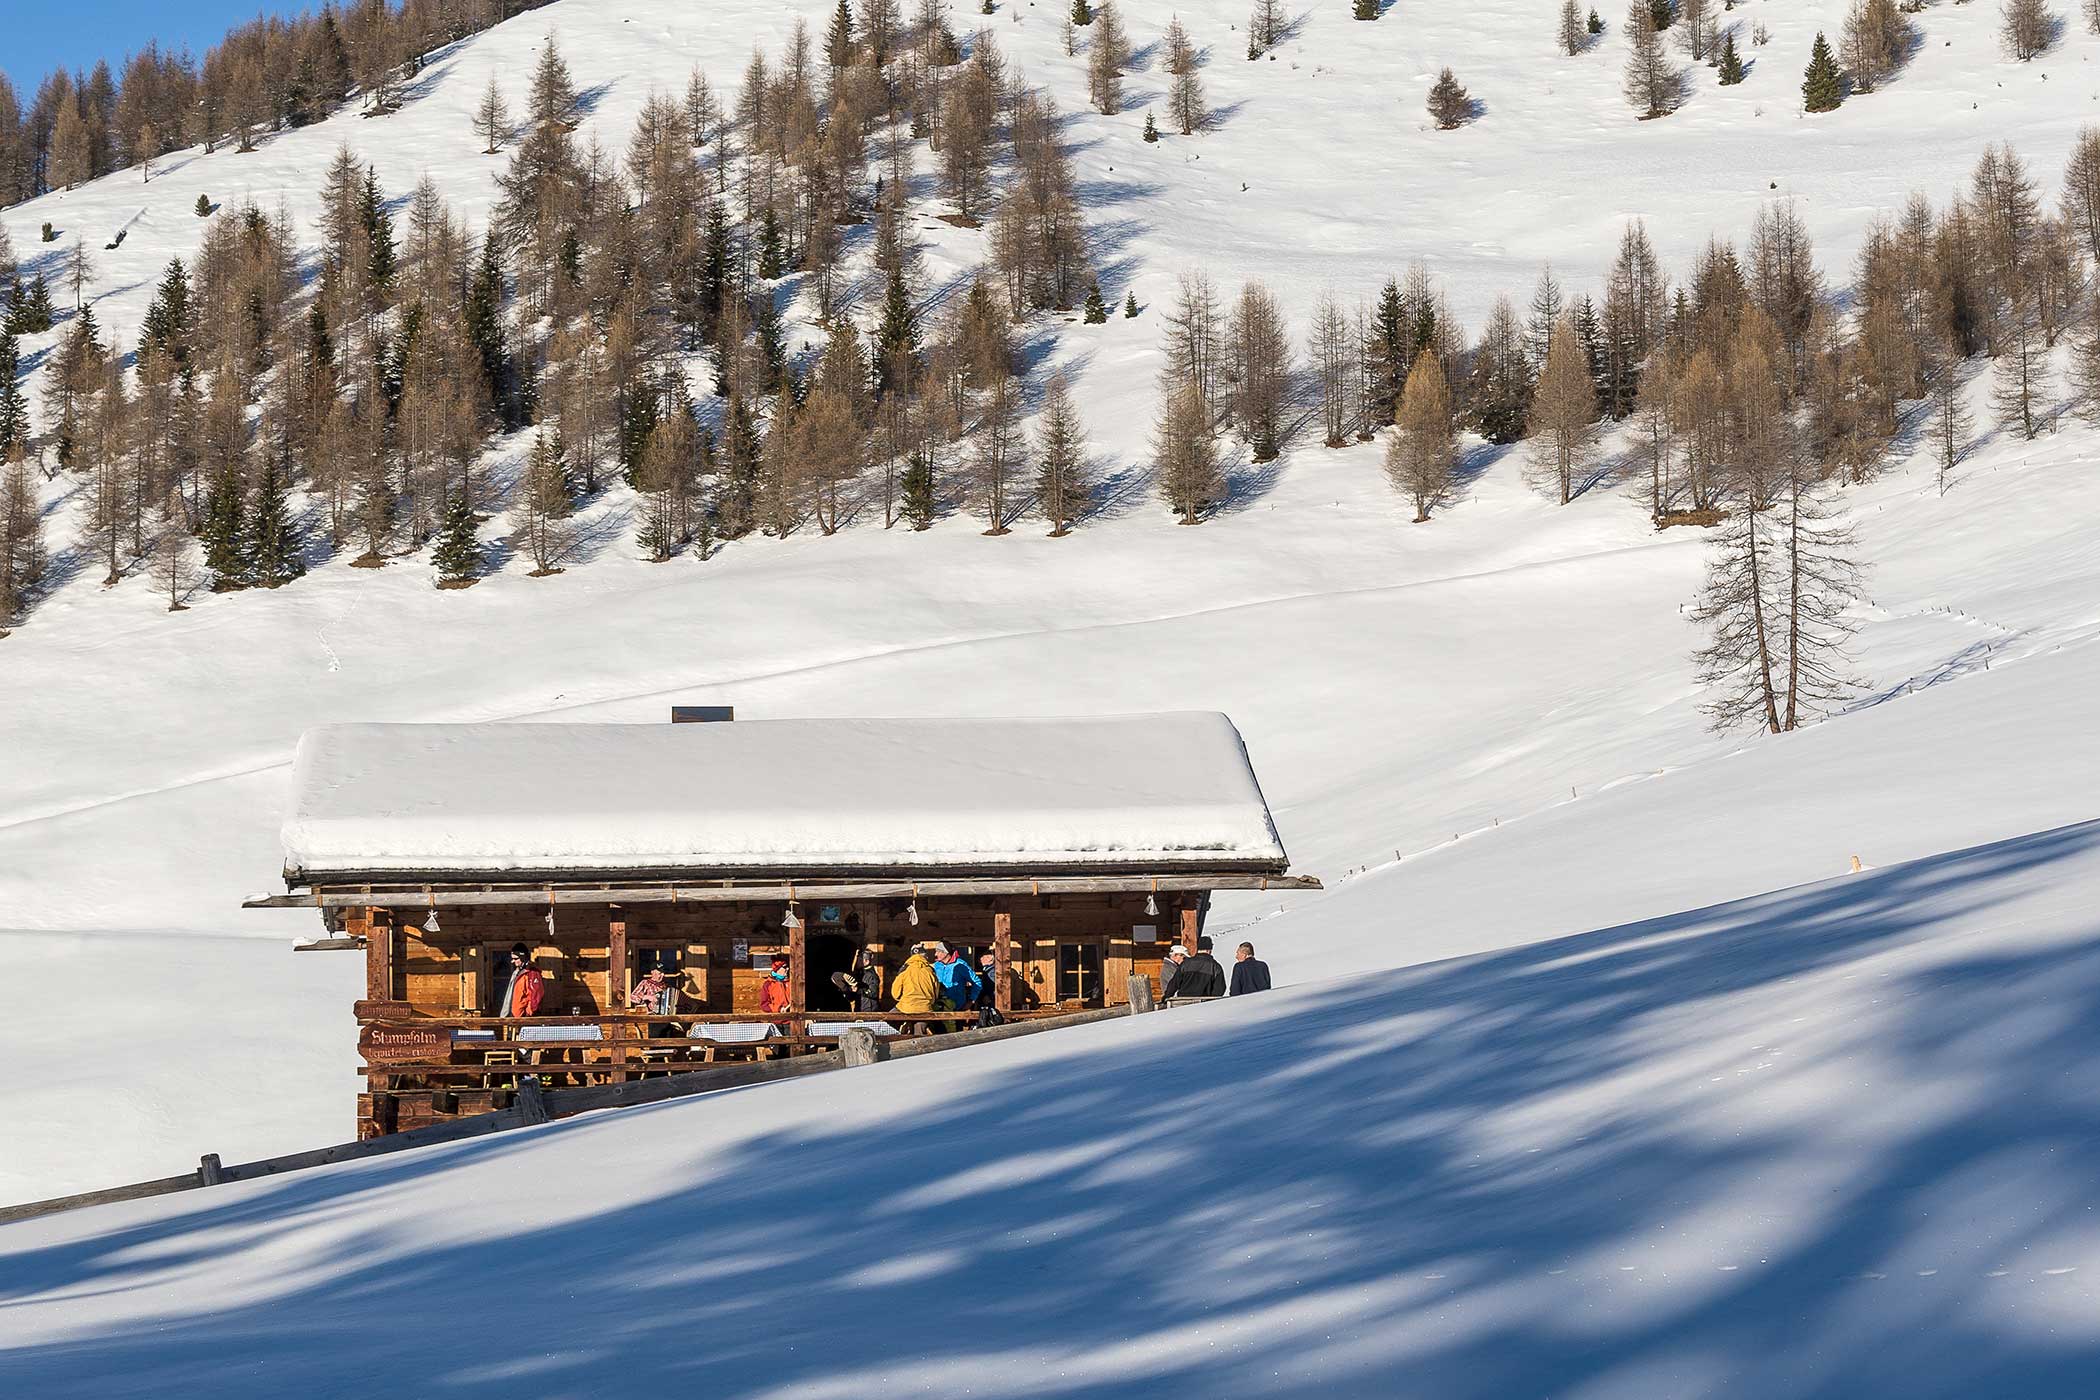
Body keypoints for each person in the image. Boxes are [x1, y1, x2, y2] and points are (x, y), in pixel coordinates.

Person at [890, 943, 944, 1032]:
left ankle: (902, 1031)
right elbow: (935, 995)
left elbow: (895, 994)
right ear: (925, 955)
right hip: (925, 1009)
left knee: (889, 1019)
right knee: (920, 1031)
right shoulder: (931, 971)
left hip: (905, 1007)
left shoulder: (904, 970)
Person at [1167, 936, 1226, 1000]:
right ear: (1209, 950)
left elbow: (1174, 983)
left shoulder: (1185, 964)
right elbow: (1219, 989)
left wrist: (1166, 997)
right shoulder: (1215, 967)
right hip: (1204, 1004)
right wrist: (1211, 1001)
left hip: (1183, 1002)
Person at [495, 943, 545, 1019]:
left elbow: (536, 996)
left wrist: (527, 1013)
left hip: (524, 1018)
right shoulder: (516, 973)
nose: (513, 961)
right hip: (514, 1017)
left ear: (523, 957)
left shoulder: (532, 973)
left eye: (516, 959)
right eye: (512, 959)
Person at [931, 942, 981, 1013]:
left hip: (957, 1008)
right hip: (938, 1007)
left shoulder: (960, 965)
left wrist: (971, 1001)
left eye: (938, 951)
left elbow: (977, 982)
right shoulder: (936, 966)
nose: (935, 954)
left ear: (946, 952)